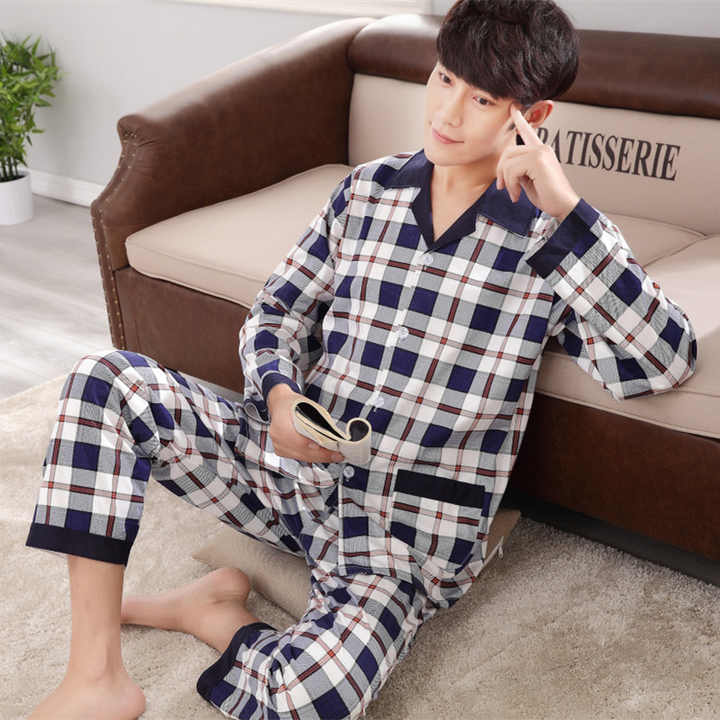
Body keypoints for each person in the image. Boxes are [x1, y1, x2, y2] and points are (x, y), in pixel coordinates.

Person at [25, 0, 697, 718]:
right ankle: (96, 677)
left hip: (401, 538)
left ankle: (213, 615)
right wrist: (279, 399)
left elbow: (661, 361)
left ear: (533, 118)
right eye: (444, 79)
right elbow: (276, 313)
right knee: (103, 383)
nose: (447, 113)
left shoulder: (552, 242)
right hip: (290, 472)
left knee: (311, 697)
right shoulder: (368, 190)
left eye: (481, 99)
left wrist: (565, 208)